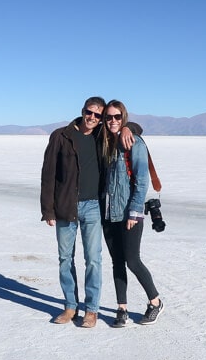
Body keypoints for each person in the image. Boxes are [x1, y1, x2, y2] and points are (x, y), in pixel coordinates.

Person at [40, 97, 137, 328]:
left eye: (97, 115)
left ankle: (91, 310)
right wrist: (48, 210)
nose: (92, 118)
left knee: (93, 259)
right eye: (89, 112)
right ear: (82, 111)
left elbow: (136, 128)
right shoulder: (61, 136)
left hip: (93, 206)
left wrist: (126, 128)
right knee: (65, 259)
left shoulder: (102, 135)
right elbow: (48, 174)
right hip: (65, 207)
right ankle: (70, 307)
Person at [100, 100, 163, 327]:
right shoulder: (104, 141)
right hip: (108, 213)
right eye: (109, 117)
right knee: (117, 261)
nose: (113, 121)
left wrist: (135, 211)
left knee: (133, 261)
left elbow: (142, 180)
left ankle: (155, 302)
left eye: (118, 117)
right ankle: (121, 308)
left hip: (129, 213)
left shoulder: (133, 142)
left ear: (123, 118)